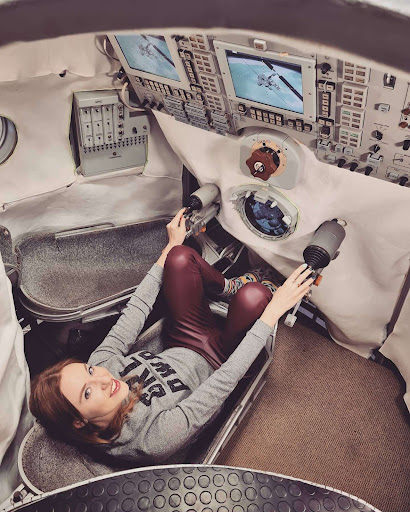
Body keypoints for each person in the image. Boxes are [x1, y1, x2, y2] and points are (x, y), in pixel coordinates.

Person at [30, 209, 313, 464]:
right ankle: (253, 291)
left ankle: (229, 286)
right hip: (219, 363)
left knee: (179, 257)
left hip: (182, 339)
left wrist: (170, 246)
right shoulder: (150, 440)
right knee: (254, 297)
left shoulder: (102, 367)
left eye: (90, 371)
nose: (103, 378)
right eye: (88, 392)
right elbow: (224, 382)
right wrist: (274, 310)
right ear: (79, 422)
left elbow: (134, 313)